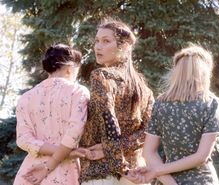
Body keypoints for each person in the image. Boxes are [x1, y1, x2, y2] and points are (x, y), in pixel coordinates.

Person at [78, 18, 177, 185]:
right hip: (136, 173)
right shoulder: (145, 88)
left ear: (123, 47)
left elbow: (109, 122)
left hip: (104, 172)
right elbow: (148, 132)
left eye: (106, 41)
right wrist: (123, 159)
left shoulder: (101, 75)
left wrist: (117, 162)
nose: (97, 46)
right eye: (97, 41)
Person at [132, 44, 219, 185]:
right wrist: (158, 171)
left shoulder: (161, 103)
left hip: (166, 180)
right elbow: (201, 157)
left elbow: (148, 153)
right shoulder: (212, 104)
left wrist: (165, 178)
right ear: (205, 72)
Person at [14, 43, 90, 185]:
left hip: (29, 174)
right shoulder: (78, 91)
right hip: (64, 172)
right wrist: (68, 152)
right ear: (69, 69)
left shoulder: (26, 97)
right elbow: (74, 133)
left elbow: (23, 139)